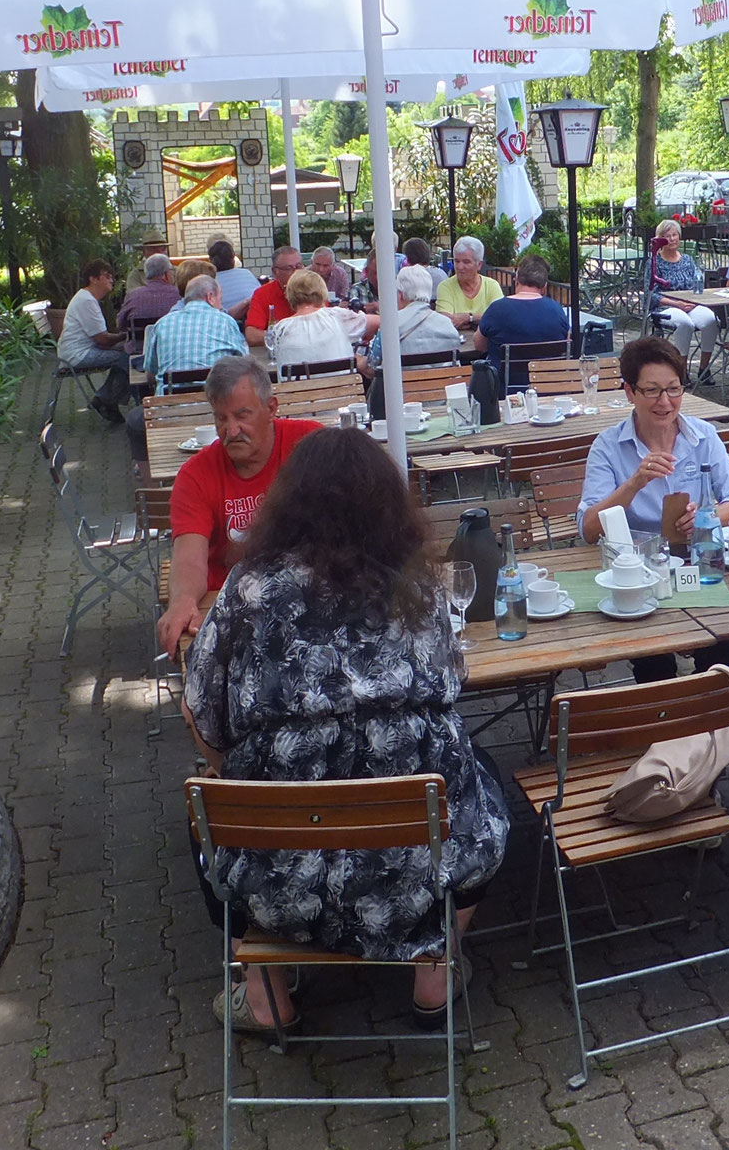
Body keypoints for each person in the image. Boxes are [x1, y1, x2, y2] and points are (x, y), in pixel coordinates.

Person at [182, 428, 509, 1031]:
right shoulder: (420, 587)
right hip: (413, 873)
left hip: (279, 879)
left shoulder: (247, 589)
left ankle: (266, 995)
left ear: (289, 503)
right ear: (386, 503)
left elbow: (201, 712)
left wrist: (232, 768)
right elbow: (451, 688)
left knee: (211, 805)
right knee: (490, 783)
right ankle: (434, 972)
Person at [578, 337, 729, 682]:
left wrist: (706, 519)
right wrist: (634, 483)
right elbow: (588, 529)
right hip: (637, 574)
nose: (665, 402)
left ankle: (723, 728)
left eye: (674, 389)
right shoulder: (608, 446)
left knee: (725, 652)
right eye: (652, 391)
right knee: (655, 665)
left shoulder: (703, 435)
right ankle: (665, 728)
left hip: (696, 566)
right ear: (629, 392)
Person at [158, 358, 324, 658]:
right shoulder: (195, 475)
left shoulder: (311, 445)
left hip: (312, 597)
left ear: (271, 408)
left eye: (242, 415)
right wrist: (182, 600)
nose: (231, 430)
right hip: (235, 609)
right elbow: (189, 558)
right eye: (220, 418)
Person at [476, 253, 570, 390]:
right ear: (544, 287)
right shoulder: (557, 310)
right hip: (548, 390)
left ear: (516, 280)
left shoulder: (496, 309)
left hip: (504, 393)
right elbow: (565, 343)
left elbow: (479, 345)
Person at [646, 219, 720, 382]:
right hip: (666, 306)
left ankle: (704, 369)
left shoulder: (687, 260)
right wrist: (676, 303)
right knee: (684, 324)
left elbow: (696, 284)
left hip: (690, 304)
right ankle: (682, 371)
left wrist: (694, 299)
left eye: (675, 235)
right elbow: (650, 295)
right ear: (660, 239)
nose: (672, 239)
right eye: (667, 236)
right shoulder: (654, 262)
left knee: (710, 319)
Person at [360, 264, 462, 379]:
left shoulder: (391, 325)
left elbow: (371, 369)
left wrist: (358, 360)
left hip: (402, 395)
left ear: (400, 295)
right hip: (443, 393)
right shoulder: (448, 325)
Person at [60, 258, 131, 422]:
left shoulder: (85, 298)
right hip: (77, 355)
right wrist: (125, 336)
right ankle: (105, 399)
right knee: (129, 358)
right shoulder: (86, 300)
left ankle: (107, 398)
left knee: (126, 354)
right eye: (106, 276)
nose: (111, 280)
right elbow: (103, 340)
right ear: (93, 279)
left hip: (77, 351)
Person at [142, 274, 247, 385]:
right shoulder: (226, 321)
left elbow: (151, 374)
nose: (221, 306)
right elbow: (242, 365)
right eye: (220, 300)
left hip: (171, 400)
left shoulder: (162, 324)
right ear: (210, 297)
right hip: (215, 400)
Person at [266, 269, 367, 369]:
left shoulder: (280, 330)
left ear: (289, 295)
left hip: (298, 385)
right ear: (322, 292)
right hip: (344, 384)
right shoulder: (337, 316)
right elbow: (378, 322)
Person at [436, 236, 503, 351]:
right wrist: (482, 321)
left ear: (479, 265)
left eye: (466, 262)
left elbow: (500, 319)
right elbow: (445, 322)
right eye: (456, 261)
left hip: (486, 351)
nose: (460, 267)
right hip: (455, 352)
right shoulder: (445, 287)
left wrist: (468, 318)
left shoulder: (492, 286)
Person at [243, 246, 304, 346]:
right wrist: (287, 336)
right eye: (289, 268)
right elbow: (252, 335)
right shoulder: (263, 294)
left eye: (298, 266)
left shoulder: (313, 289)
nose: (296, 272)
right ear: (275, 272)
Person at [117, 254, 180, 350]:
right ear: (166, 275)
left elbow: (120, 325)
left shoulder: (132, 296)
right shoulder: (179, 295)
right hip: (171, 349)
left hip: (139, 351)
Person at [208, 239, 260, 318]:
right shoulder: (246, 273)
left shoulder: (209, 282)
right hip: (255, 319)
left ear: (211, 260)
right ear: (233, 259)